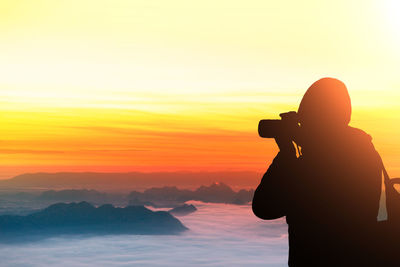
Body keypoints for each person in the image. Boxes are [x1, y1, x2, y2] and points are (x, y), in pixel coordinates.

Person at [252, 78, 382, 266]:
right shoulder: (365, 152)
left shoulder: (314, 165)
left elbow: (264, 207)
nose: (302, 126)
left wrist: (287, 154)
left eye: (306, 119)